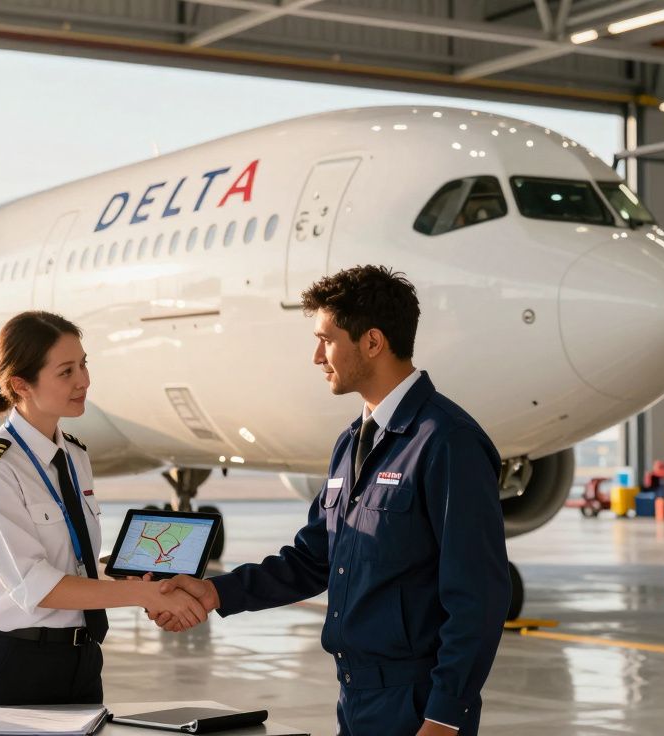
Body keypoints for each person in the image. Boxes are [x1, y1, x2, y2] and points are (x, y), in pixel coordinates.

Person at [154, 266, 510, 736]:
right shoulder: (351, 443)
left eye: (327, 339)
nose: (317, 355)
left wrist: (445, 717)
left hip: (419, 706)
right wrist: (218, 592)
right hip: (355, 698)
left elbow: (479, 597)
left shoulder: (446, 441)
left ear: (373, 342)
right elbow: (313, 560)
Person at [0, 310, 207, 706]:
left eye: (84, 364)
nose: (84, 381)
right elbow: (38, 586)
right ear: (21, 384)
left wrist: (134, 574)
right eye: (66, 371)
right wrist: (148, 597)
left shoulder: (73, 456)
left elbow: (72, 564)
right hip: (17, 666)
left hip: (83, 659)